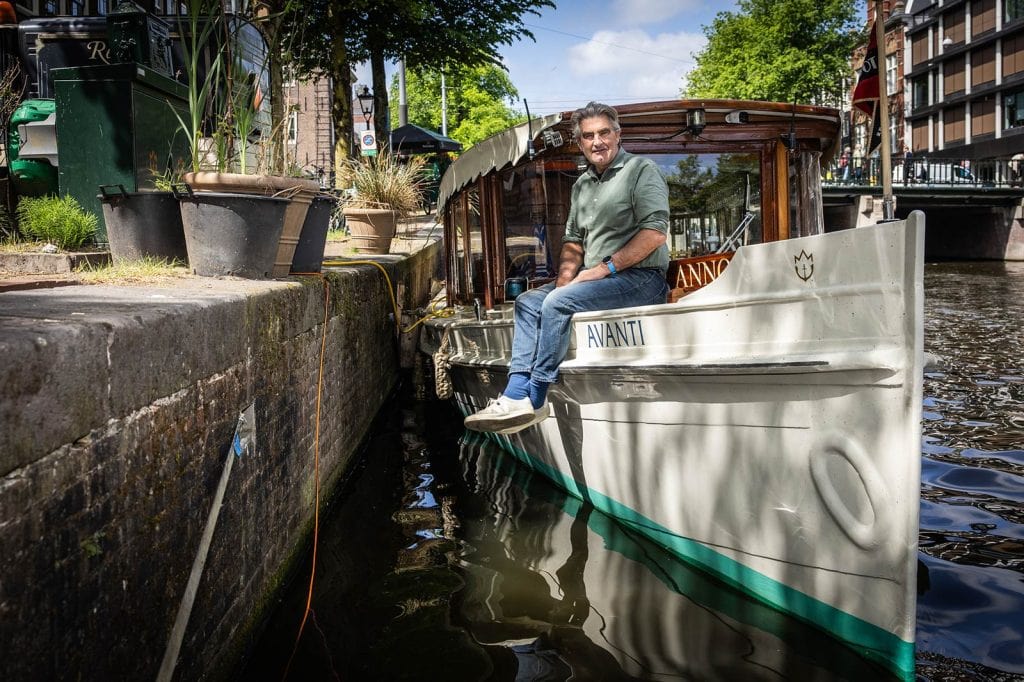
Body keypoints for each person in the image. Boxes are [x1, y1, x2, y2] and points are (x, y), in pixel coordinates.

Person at [463, 101, 670, 434]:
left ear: (618, 135)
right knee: (529, 301)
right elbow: (573, 242)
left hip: (642, 279)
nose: (597, 142)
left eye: (604, 133)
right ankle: (515, 393)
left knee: (556, 303)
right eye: (589, 136)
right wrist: (564, 280)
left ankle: (536, 396)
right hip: (598, 280)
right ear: (581, 142)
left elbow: (655, 233)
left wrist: (601, 270)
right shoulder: (582, 185)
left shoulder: (641, 171)